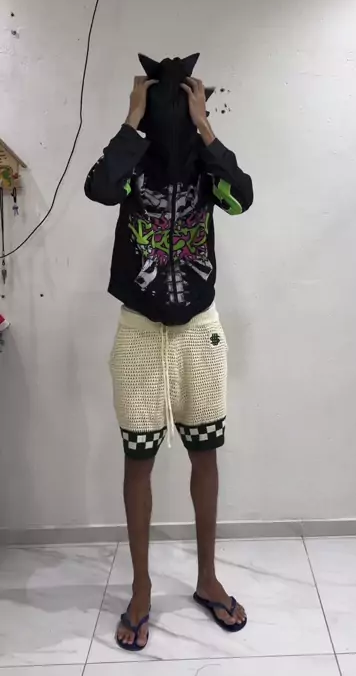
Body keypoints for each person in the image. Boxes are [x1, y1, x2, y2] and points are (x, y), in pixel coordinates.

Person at [85, 53, 253, 651]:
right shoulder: (131, 167)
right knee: (140, 458)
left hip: (198, 328)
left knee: (205, 452)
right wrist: (132, 120)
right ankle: (141, 588)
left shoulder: (208, 172)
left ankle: (207, 578)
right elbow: (100, 188)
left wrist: (205, 126)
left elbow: (243, 196)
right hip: (139, 329)